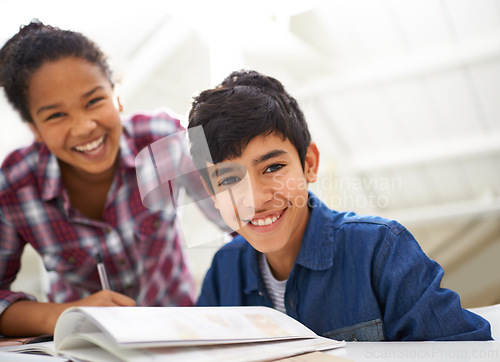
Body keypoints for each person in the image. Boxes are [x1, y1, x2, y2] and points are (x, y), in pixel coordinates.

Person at [187, 69, 492, 341]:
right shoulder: (223, 273)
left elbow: (471, 352)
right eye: (228, 181)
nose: (254, 199)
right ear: (211, 193)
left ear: (309, 163)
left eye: (272, 168)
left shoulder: (380, 250)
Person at [0, 20, 211, 337]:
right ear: (34, 128)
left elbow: (241, 221)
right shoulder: (14, 187)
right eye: (56, 115)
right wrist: (68, 315)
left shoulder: (165, 139)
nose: (84, 126)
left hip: (178, 334)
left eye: (94, 101)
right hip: (84, 343)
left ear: (117, 96)